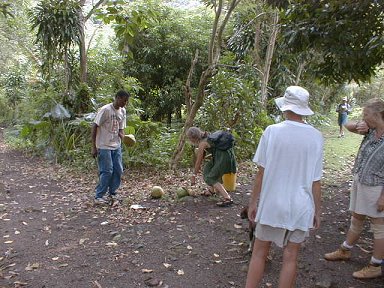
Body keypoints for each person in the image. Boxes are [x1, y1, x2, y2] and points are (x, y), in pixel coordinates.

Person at [245, 86, 323, 288]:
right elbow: (316, 181)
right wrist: (317, 210)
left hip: (272, 203)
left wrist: (253, 203)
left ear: (285, 107)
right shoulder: (316, 136)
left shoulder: (272, 131)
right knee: (291, 257)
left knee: (259, 253)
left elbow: (261, 173)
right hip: (300, 206)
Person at [324, 98, 384, 279]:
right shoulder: (371, 130)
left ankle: (375, 265)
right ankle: (345, 250)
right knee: (357, 218)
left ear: (377, 115)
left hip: (376, 186)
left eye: (366, 114)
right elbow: (348, 124)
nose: (364, 117)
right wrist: (360, 124)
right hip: (361, 181)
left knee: (378, 226)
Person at [91, 90, 130, 204]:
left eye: (126, 101)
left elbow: (120, 129)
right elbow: (94, 126)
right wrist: (93, 146)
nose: (125, 103)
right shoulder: (106, 110)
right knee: (107, 171)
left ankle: (112, 193)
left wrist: (125, 138)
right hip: (103, 145)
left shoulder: (123, 111)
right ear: (117, 98)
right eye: (124, 100)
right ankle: (99, 196)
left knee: (118, 170)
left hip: (116, 145)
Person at [186, 127, 236, 207]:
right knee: (207, 169)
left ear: (193, 138)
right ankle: (211, 190)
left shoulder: (202, 143)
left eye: (189, 138)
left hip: (223, 158)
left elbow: (198, 161)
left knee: (210, 178)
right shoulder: (207, 136)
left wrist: (194, 175)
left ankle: (227, 198)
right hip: (221, 156)